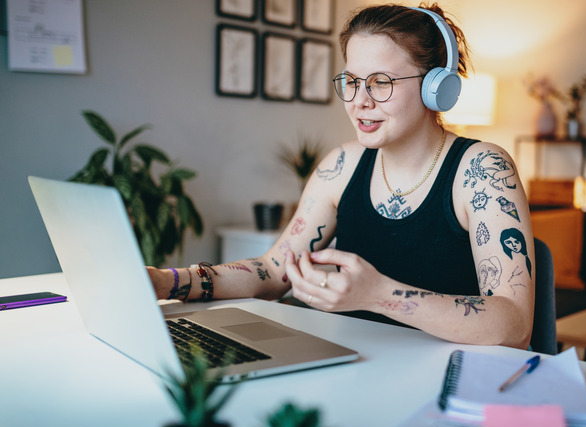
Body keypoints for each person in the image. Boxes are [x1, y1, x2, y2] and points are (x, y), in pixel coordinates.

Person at [147, 3, 535, 349]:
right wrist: (167, 282)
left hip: (445, 382)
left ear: (437, 87)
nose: (359, 101)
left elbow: (515, 325)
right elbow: (272, 271)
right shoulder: (341, 165)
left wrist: (380, 294)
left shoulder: (483, 170)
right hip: (351, 364)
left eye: (381, 82)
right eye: (351, 81)